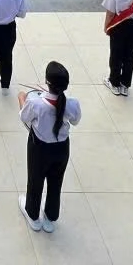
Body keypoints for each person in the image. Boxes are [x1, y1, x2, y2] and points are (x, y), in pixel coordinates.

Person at [19, 61, 80, 232]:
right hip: (62, 149)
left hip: (39, 148)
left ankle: (33, 214)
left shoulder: (36, 103)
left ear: (46, 82)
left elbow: (24, 117)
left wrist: (22, 98)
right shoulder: (72, 104)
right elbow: (75, 120)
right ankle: (50, 217)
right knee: (56, 182)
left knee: (35, 180)